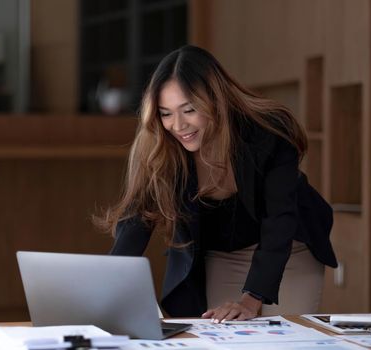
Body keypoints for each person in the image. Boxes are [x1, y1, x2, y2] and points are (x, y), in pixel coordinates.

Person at [96, 45, 337, 321]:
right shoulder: (160, 147)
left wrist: (250, 301)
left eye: (189, 109)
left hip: (290, 248)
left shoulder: (267, 132)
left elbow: (279, 222)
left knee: (281, 338)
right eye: (165, 113)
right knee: (223, 336)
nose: (178, 125)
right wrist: (105, 290)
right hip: (223, 254)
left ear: (215, 100)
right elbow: (137, 222)